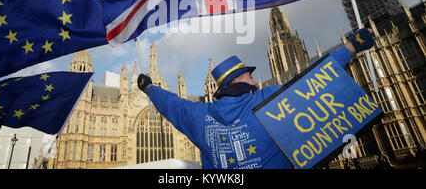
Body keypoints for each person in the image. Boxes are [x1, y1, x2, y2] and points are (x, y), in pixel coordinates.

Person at [137, 28, 374, 169]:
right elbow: (313, 80)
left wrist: (148, 87)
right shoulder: (268, 100)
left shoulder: (199, 116)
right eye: (251, 77)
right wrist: (352, 47)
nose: (255, 82)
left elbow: (170, 104)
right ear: (239, 80)